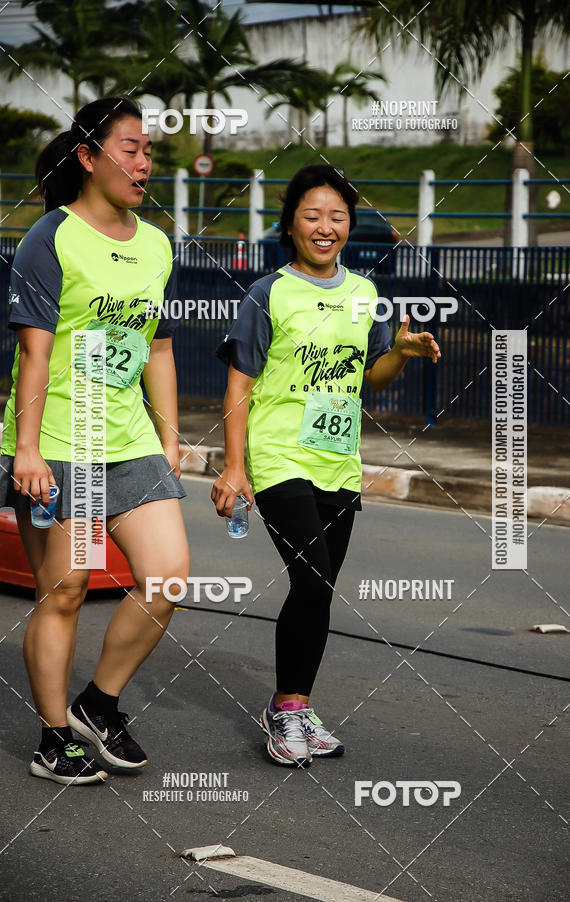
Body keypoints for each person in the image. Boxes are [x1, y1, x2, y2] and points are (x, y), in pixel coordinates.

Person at [211, 164, 440, 766]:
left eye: (336, 216)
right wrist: (234, 466)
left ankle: (296, 706)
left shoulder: (364, 294)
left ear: (349, 226)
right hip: (280, 453)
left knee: (319, 590)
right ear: (290, 225)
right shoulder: (267, 293)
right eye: (312, 215)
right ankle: (287, 714)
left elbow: (371, 374)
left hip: (338, 461)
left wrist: (403, 353)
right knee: (311, 579)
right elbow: (239, 381)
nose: (325, 226)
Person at [0, 97, 190, 785]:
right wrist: (26, 450)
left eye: (149, 151)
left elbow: (159, 350)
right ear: (88, 157)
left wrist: (169, 438)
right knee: (68, 588)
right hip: (63, 439)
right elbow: (35, 355)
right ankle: (55, 737)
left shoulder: (157, 243)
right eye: (131, 148)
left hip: (132, 439)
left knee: (166, 576)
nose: (145, 163)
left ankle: (98, 703)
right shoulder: (50, 239)